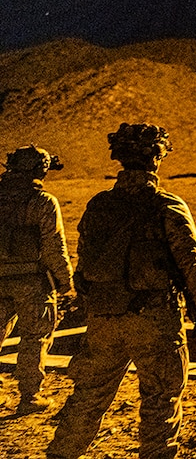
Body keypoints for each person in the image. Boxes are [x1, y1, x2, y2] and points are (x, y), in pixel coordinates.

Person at [48, 123, 196, 459]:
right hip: (153, 319)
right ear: (156, 158)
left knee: (88, 395)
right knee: (160, 399)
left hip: (103, 318)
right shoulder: (167, 205)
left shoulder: (99, 205)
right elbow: (190, 261)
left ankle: (61, 453)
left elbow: (84, 264)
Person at [0, 145, 73, 415]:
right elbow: (54, 246)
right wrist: (66, 282)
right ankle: (29, 396)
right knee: (34, 338)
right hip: (31, 282)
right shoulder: (43, 201)